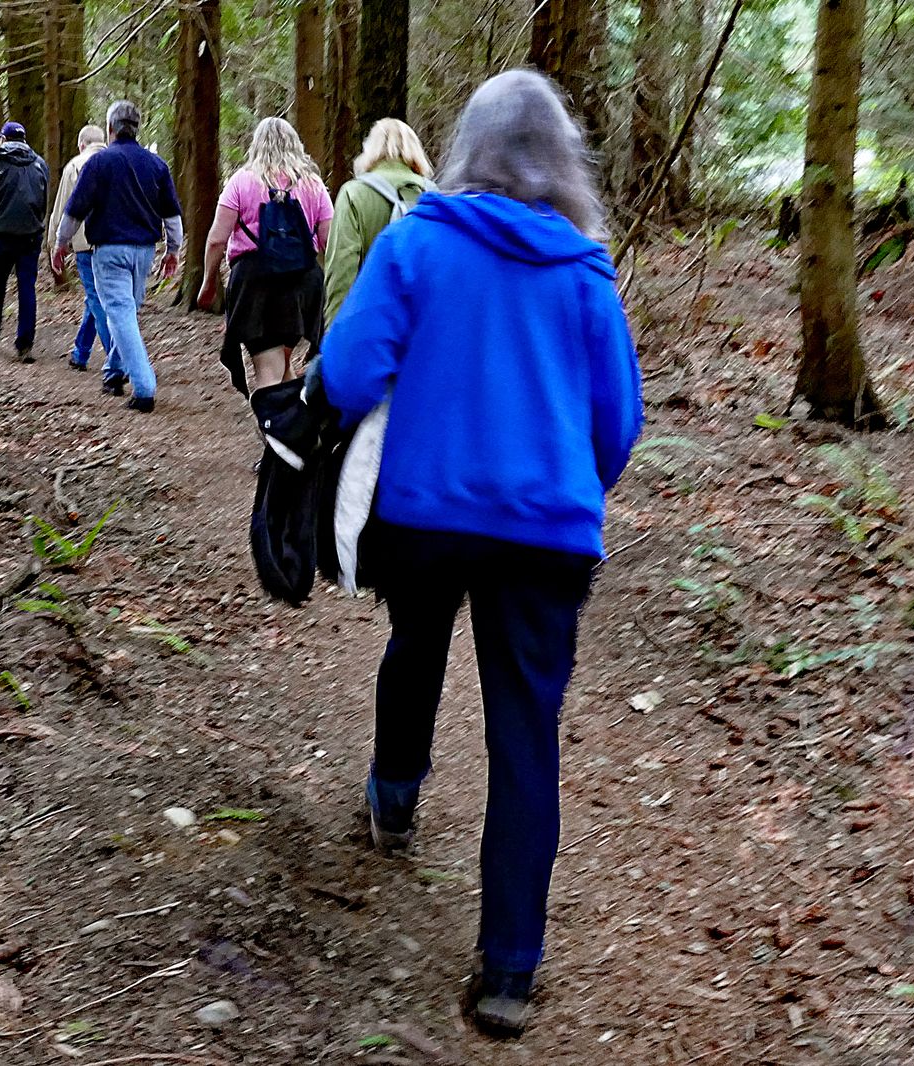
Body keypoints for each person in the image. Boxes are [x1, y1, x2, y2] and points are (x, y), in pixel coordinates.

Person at [317, 70, 642, 1038]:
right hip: (543, 532)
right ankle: (507, 971)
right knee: (523, 735)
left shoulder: (419, 240)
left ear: (465, 148)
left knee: (413, 643)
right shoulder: (584, 269)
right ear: (563, 160)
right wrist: (557, 479)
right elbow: (615, 427)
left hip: (423, 515)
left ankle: (391, 799)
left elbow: (343, 371)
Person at [53, 101, 183, 412]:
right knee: (127, 314)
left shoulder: (99, 163)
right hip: (144, 252)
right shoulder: (156, 165)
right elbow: (172, 215)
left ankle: (144, 387)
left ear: (110, 128)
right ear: (137, 128)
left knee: (121, 314)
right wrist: (173, 249)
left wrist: (61, 242)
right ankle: (113, 373)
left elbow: (75, 208)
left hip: (109, 250)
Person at [197, 117, 333, 393]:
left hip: (256, 284)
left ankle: (274, 433)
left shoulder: (241, 181)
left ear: (256, 146)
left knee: (268, 370)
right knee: (283, 363)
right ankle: (294, 430)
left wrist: (209, 282)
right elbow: (328, 239)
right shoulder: (313, 184)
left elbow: (216, 240)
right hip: (303, 284)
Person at [322, 118, 435, 327]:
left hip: (372, 326)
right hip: (424, 327)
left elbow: (342, 271)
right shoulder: (435, 195)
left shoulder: (354, 193)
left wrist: (334, 335)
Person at [0, 121, 50, 361]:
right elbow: (44, 197)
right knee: (27, 287)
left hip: (2, 233)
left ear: (4, 139)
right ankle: (25, 345)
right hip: (31, 234)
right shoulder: (40, 163)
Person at [48, 124, 111, 374]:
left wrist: (56, 242)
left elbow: (64, 207)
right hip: (114, 241)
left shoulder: (75, 165)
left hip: (84, 241)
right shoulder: (115, 162)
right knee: (94, 299)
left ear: (81, 144)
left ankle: (117, 357)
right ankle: (80, 353)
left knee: (97, 299)